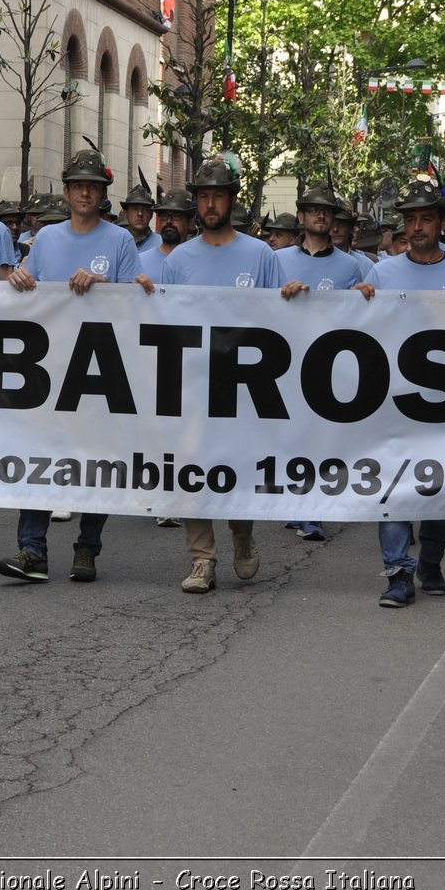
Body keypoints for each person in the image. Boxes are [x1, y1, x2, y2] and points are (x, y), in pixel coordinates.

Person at [0, 145, 153, 584]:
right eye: (79, 186)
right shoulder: (45, 239)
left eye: (93, 187)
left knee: (98, 461)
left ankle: (87, 548)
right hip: (50, 371)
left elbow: (134, 302)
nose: (86, 193)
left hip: (101, 371)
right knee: (40, 457)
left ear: (102, 194)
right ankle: (32, 550)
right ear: (66, 192)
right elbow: (23, 289)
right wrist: (19, 278)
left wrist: (106, 286)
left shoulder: (120, 240)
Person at [353, 177, 445, 608]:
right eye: (410, 219)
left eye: (425, 218)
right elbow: (357, 330)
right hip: (392, 402)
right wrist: (356, 302)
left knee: (440, 493)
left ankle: (431, 561)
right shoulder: (381, 272)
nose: (416, 227)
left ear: (443, 223)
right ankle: (397, 575)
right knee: (392, 490)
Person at [159, 158, 283, 593]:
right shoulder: (179, 261)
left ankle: (243, 534)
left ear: (232, 200)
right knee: (192, 469)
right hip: (194, 385)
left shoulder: (261, 255)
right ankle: (202, 560)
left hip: (246, 387)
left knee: (237, 468)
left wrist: (295, 297)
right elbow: (163, 320)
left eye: (218, 196)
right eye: (204, 197)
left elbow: (282, 318)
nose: (211, 204)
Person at [276, 184, 373, 544]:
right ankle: (293, 501)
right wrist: (281, 296)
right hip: (285, 362)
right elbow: (256, 306)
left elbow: (366, 313)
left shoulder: (353, 266)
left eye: (326, 210)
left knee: (321, 437)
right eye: (313, 209)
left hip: (328, 365)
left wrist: (362, 298)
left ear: (334, 220)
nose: (320, 215)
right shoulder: (278, 259)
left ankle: (313, 510)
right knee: (291, 435)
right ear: (301, 217)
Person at [138, 187, 194, 279]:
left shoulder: (197, 261)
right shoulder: (140, 261)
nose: (169, 221)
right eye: (164, 216)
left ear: (189, 222)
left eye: (176, 216)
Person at [121, 175, 159, 252]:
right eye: (135, 208)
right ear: (125, 213)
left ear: (151, 214)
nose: (140, 213)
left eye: (145, 209)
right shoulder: (117, 242)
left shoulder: (161, 245)